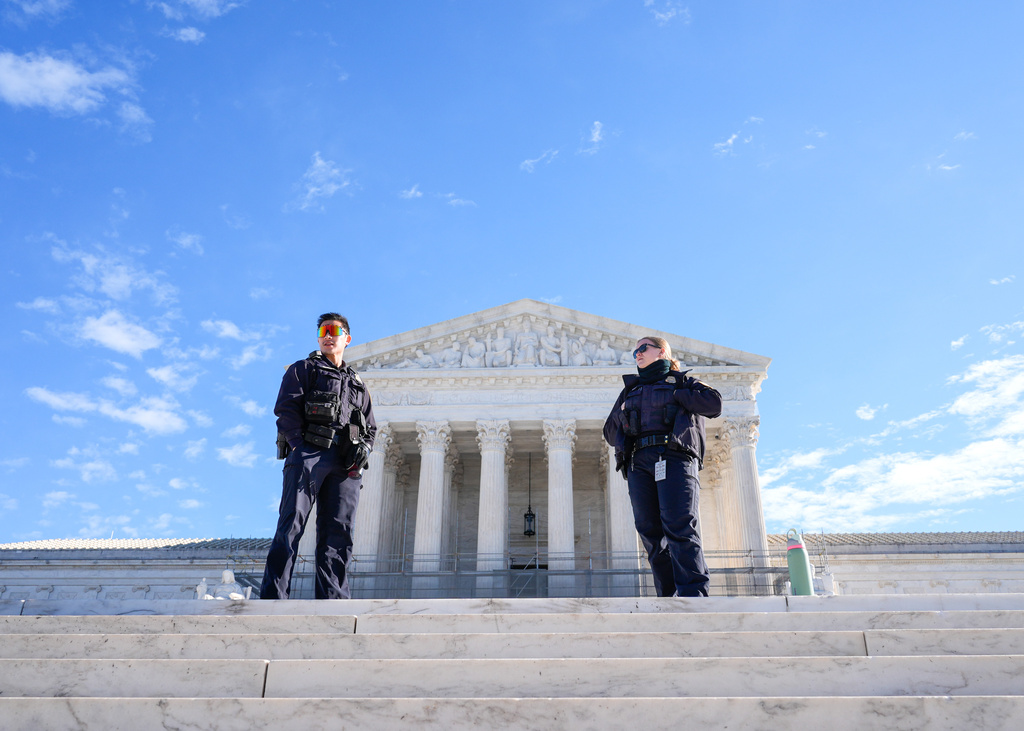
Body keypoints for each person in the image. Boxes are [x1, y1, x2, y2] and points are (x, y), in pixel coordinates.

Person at [261, 312, 377, 600]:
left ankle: (334, 599)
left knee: (339, 532)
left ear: (346, 339)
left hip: (345, 463)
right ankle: (274, 596)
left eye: (333, 331)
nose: (327, 336)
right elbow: (286, 411)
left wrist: (364, 451)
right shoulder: (303, 369)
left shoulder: (358, 384)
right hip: (310, 454)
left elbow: (371, 426)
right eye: (323, 331)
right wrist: (299, 447)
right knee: (292, 525)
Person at [603, 336, 722, 597]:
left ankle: (693, 594)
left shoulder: (682, 381)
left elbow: (714, 404)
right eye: (635, 350)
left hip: (674, 457)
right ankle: (667, 596)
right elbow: (610, 435)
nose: (637, 354)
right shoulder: (629, 391)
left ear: (663, 352)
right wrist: (621, 412)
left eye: (643, 348)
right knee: (649, 531)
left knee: (679, 524)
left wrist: (679, 394)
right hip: (638, 462)